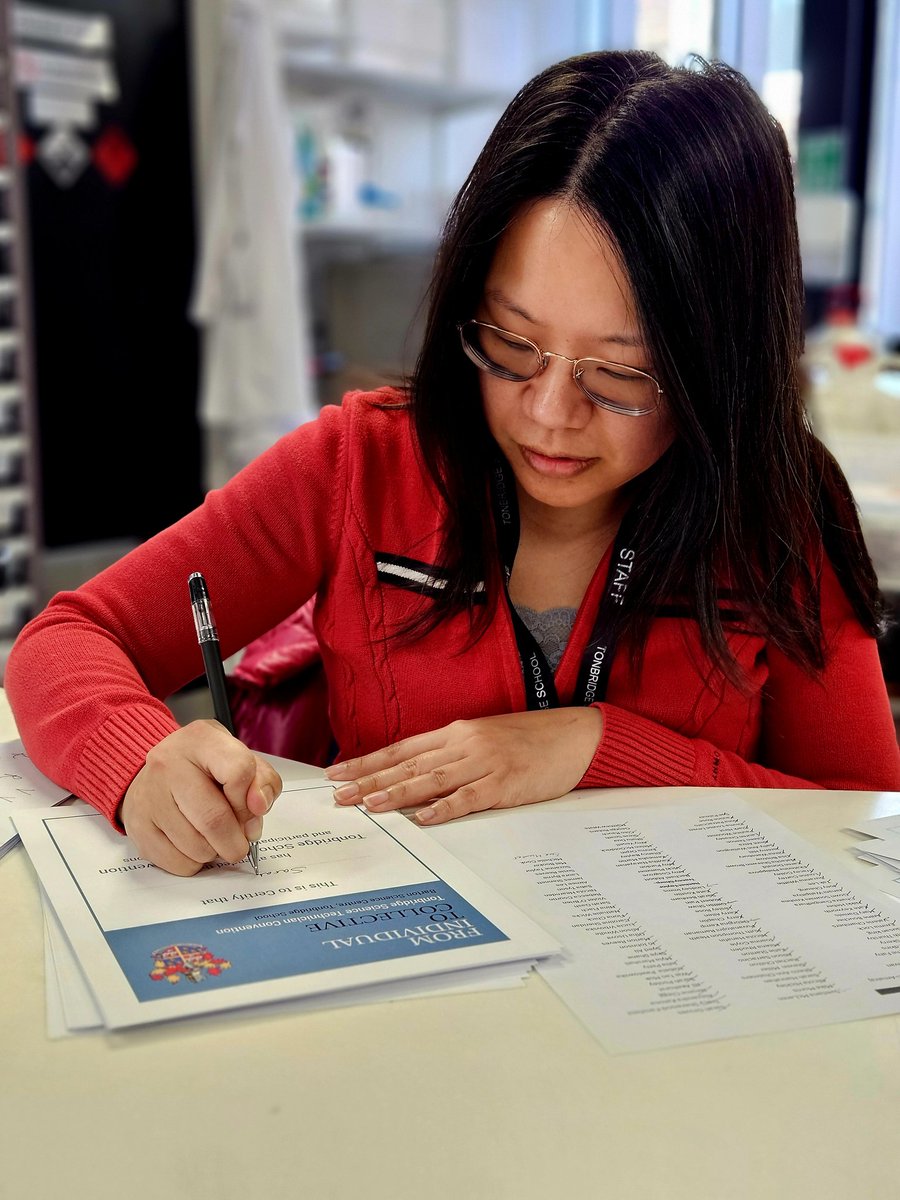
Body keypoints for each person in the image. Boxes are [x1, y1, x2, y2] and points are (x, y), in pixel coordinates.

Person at [7, 50, 900, 877]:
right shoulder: (361, 463)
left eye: (623, 372)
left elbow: (869, 821)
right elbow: (67, 640)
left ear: (722, 366)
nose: (551, 414)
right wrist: (138, 760)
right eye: (511, 343)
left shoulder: (781, 515)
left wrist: (597, 746)